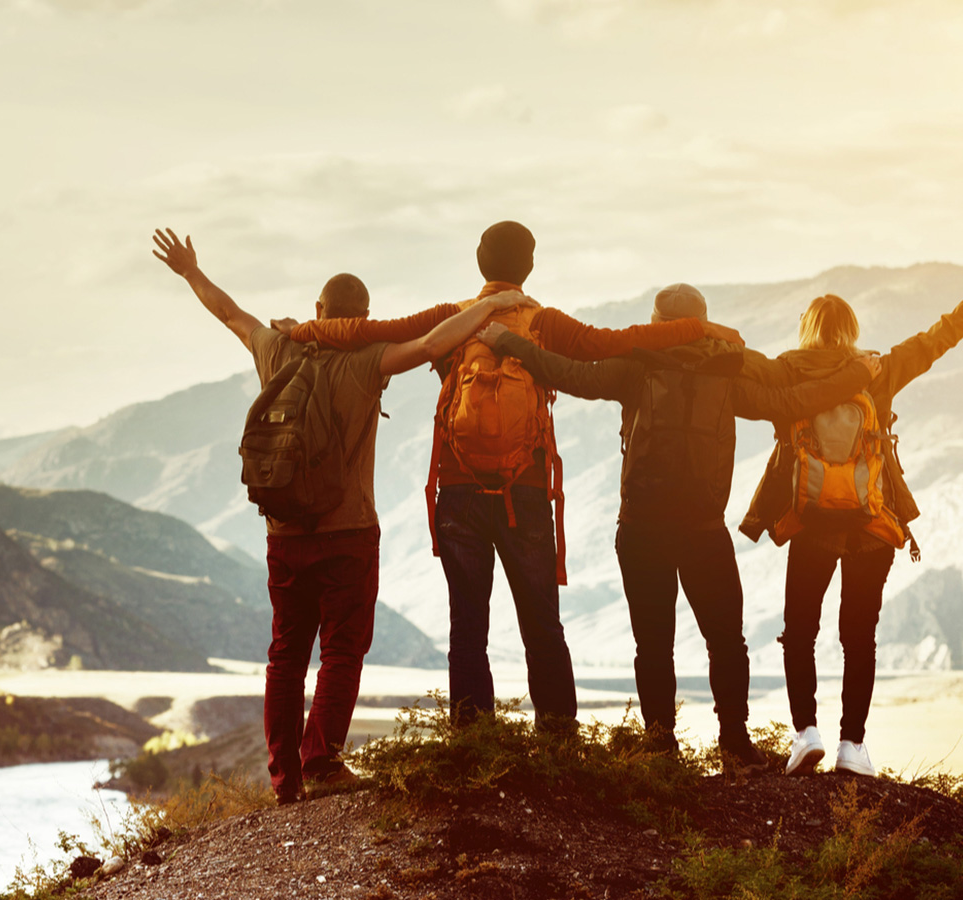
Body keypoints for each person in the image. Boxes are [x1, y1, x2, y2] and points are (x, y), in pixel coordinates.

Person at [275, 222, 745, 731]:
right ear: (530, 266)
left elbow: (369, 331)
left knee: (468, 626)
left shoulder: (451, 320)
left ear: (480, 262)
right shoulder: (544, 322)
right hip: (526, 488)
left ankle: (474, 740)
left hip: (458, 487)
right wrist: (697, 329)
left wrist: (303, 330)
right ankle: (559, 738)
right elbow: (623, 341)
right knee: (542, 620)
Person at [151, 227, 537, 804]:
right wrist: (488, 307)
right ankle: (322, 760)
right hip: (348, 532)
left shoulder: (276, 349)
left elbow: (229, 312)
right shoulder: (367, 361)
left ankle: (284, 777)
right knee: (341, 649)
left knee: (285, 654)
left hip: (283, 533)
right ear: (363, 318)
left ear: (318, 311)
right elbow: (433, 345)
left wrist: (190, 271)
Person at [479, 283, 879, 768]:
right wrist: (857, 373)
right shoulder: (724, 370)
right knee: (727, 640)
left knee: (652, 645)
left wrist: (508, 341)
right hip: (704, 529)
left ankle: (661, 745)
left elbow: (568, 373)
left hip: (642, 526)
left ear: (656, 320)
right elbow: (792, 402)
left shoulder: (636, 365)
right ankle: (734, 742)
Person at [740, 293, 963, 777]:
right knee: (859, 638)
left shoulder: (787, 369)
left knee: (799, 631)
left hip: (813, 524)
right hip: (871, 528)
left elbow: (742, 373)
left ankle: (806, 734)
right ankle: (853, 746)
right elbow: (934, 341)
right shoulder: (877, 369)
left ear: (808, 330)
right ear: (852, 329)